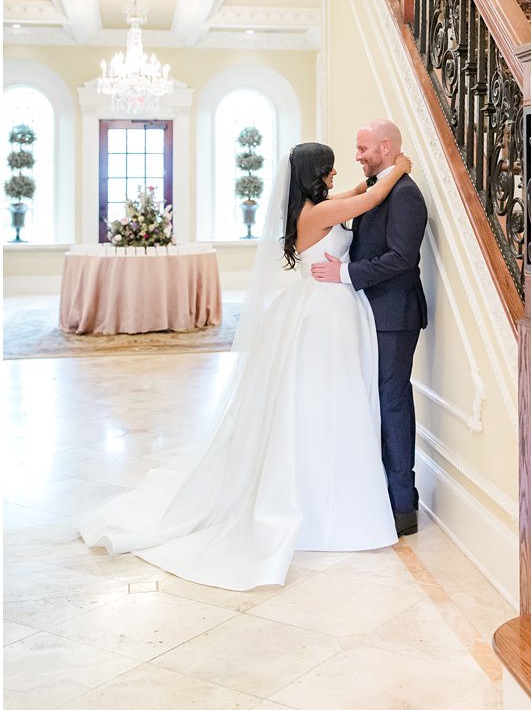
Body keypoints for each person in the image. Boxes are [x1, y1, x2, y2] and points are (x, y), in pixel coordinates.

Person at [78, 143, 411, 590]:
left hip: (333, 309)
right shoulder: (314, 215)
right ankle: (319, 500)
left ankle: (337, 490)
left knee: (334, 403)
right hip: (321, 314)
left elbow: (358, 190)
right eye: (329, 169)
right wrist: (400, 167)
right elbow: (368, 199)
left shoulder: (319, 206)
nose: (337, 174)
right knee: (319, 403)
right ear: (315, 174)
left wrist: (377, 174)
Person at [311, 119, 428, 537]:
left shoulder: (406, 195)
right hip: (369, 314)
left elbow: (401, 259)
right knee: (373, 404)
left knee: (392, 403)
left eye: (362, 149)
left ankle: (402, 506)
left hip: (394, 317)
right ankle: (378, 494)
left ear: (385, 146)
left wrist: (345, 273)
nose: (357, 155)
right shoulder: (381, 187)